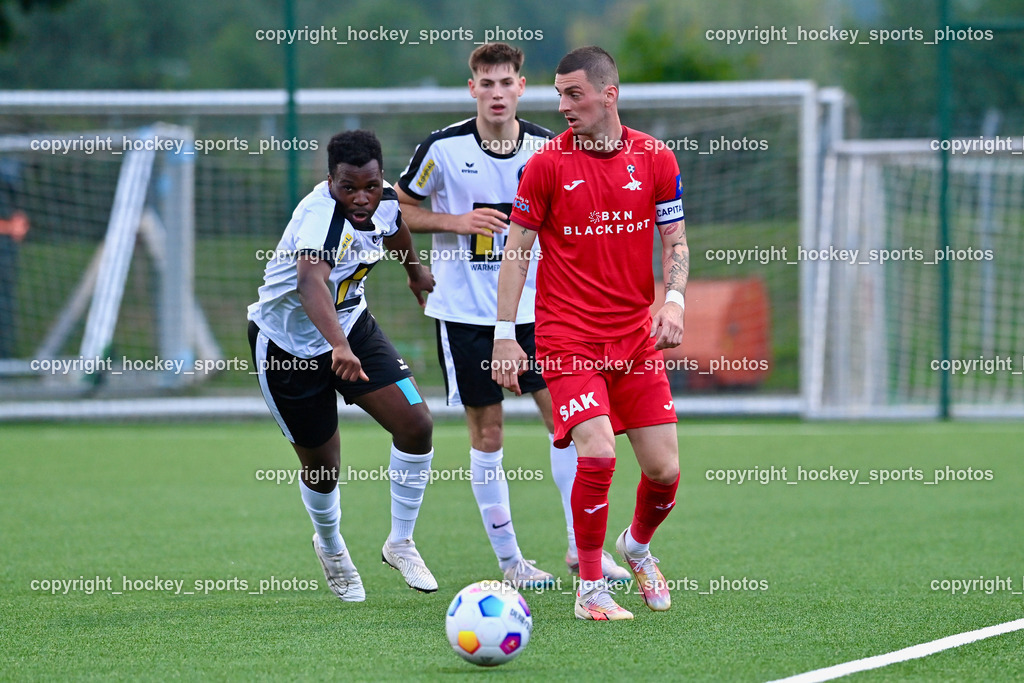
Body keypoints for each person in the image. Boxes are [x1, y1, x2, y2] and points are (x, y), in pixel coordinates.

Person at [395, 42, 629, 587]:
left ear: (522, 88)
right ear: (471, 88)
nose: (497, 93)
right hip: (467, 316)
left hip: (544, 313)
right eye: (486, 83)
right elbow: (398, 210)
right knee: (489, 430)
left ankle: (581, 549)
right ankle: (510, 561)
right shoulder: (443, 149)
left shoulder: (551, 149)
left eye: (507, 83)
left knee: (566, 425)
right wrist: (455, 222)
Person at [491, 46, 688, 620]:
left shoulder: (655, 158)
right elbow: (517, 252)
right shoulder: (547, 164)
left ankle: (638, 547)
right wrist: (506, 335)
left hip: (635, 339)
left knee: (664, 471)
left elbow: (675, 242)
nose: (562, 106)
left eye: (573, 94)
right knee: (597, 455)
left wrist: (672, 302)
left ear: (610, 94)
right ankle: (591, 586)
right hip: (567, 337)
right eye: (557, 94)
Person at [248, 130, 438, 602]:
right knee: (323, 466)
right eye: (348, 187)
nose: (361, 198)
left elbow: (395, 228)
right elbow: (312, 283)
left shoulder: (386, 199)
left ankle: (400, 542)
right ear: (329, 180)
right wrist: (337, 347)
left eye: (370, 186)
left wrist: (414, 271)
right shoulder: (318, 219)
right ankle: (331, 546)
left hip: (353, 327)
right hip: (288, 346)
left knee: (417, 423)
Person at [0, 159, 30, 358]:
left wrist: (18, 224)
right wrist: (10, 227)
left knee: (5, 308)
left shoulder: (9, 172)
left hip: (6, 251)